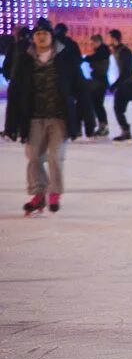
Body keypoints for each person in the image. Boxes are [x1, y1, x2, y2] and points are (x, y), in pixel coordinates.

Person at [4, 19, 95, 214]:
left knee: (55, 157)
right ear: (34, 38)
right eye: (38, 34)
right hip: (34, 117)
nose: (41, 37)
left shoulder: (65, 58)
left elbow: (81, 89)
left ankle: (54, 193)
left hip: (59, 117)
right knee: (34, 156)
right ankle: (38, 194)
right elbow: (15, 93)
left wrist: (88, 120)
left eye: (45, 33)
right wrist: (11, 124)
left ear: (51, 36)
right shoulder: (25, 59)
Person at [83, 33, 112, 138]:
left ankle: (102, 126)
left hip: (100, 81)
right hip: (98, 80)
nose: (91, 45)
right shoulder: (100, 52)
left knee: (97, 104)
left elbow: (96, 57)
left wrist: (86, 59)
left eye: (93, 43)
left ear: (98, 42)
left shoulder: (103, 51)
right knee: (96, 104)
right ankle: (101, 125)